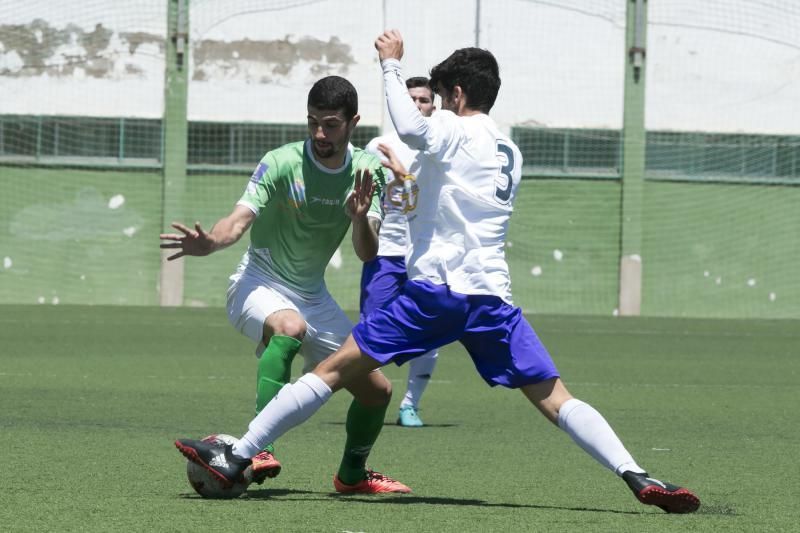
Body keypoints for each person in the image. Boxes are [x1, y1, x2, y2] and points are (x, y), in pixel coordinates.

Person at [175, 31, 701, 514]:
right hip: (492, 301)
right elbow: (444, 195)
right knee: (557, 398)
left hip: (437, 293)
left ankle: (237, 455)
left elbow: (411, 126)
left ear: (455, 94)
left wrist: (389, 65)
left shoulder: (451, 126)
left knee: (334, 372)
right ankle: (637, 474)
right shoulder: (508, 149)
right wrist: (402, 177)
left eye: (442, 96)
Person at [165, 75, 411, 494]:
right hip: (256, 282)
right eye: (312, 122)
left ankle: (351, 475)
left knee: (377, 392)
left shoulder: (368, 170)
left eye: (330, 124)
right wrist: (212, 242)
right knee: (289, 328)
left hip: (313, 295)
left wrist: (358, 219)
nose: (319, 133)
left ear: (353, 122)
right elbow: (237, 220)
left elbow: (367, 253)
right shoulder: (280, 162)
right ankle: (260, 449)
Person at [363, 76, 438, 428]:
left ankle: (410, 404)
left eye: (423, 100)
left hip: (425, 254)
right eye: (410, 100)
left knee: (431, 331)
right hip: (385, 253)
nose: (417, 105)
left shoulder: (437, 147)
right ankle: (371, 394)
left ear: (433, 107)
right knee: (370, 330)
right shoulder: (377, 145)